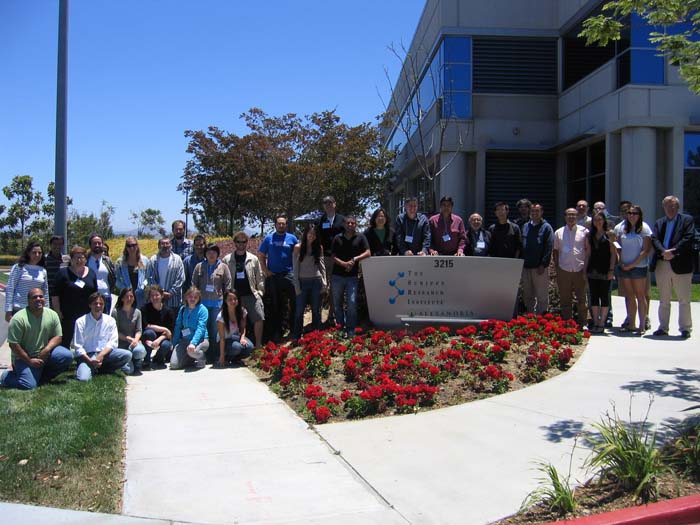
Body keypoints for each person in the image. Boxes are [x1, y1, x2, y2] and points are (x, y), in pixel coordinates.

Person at [0, 288, 73, 390]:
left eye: (41, 296)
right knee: (28, 386)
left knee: (67, 356)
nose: (38, 299)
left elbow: (58, 337)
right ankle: (6, 378)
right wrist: (29, 360)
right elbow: (14, 344)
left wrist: (46, 350)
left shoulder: (52, 314)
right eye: (34, 297)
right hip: (23, 359)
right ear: (28, 301)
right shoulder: (18, 319)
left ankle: (43, 378)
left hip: (44, 354)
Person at [651, 195, 695, 338]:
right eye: (667, 206)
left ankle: (685, 328)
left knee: (684, 299)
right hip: (662, 263)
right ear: (663, 207)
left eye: (673, 206)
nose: (670, 208)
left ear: (678, 207)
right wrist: (663, 252)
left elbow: (688, 237)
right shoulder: (659, 222)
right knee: (664, 299)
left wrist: (673, 252)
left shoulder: (687, 220)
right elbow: (654, 239)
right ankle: (663, 327)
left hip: (681, 264)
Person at [73, 292, 132, 382]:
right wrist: (90, 360)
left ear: (104, 305)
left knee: (127, 355)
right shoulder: (80, 321)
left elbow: (113, 342)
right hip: (88, 356)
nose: (98, 306)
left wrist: (101, 355)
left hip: (105, 354)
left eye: (101, 304)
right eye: (95, 303)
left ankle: (103, 369)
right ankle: (90, 367)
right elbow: (78, 347)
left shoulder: (110, 320)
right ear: (90, 305)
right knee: (84, 379)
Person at [258, 215, 298, 342]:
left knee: (294, 302)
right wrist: (265, 270)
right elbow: (261, 254)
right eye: (279, 223)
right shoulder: (268, 238)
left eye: (283, 223)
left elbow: (298, 254)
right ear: (275, 225)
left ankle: (294, 330)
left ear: (286, 225)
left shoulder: (292, 238)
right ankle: (278, 331)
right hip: (273, 276)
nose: (281, 225)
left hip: (289, 275)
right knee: (276, 305)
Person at [223, 231, 265, 348]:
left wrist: (260, 292)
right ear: (234, 242)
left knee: (258, 317)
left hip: (251, 294)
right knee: (235, 321)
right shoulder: (227, 259)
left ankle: (258, 345)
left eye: (244, 241)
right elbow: (223, 278)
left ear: (247, 242)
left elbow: (260, 276)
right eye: (238, 241)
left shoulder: (253, 258)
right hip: (234, 297)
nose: (241, 244)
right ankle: (236, 347)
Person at [331, 215, 371, 337]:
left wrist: (354, 259)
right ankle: (340, 327)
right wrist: (344, 264)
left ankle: (350, 329)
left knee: (352, 303)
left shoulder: (360, 237)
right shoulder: (337, 238)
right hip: (337, 276)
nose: (350, 225)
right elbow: (333, 256)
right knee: (337, 303)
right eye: (348, 223)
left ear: (356, 225)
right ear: (344, 224)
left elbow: (368, 252)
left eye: (352, 223)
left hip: (352, 277)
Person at [616, 204, 652, 335]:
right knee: (629, 296)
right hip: (624, 266)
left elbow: (646, 250)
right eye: (629, 213)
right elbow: (618, 247)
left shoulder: (644, 228)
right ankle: (631, 324)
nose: (631, 215)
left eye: (634, 213)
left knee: (640, 296)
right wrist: (620, 261)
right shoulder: (622, 228)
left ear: (639, 215)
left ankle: (642, 325)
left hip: (639, 267)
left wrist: (632, 265)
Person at [191, 243, 231, 363]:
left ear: (217, 254)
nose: (211, 254)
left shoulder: (223, 267)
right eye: (209, 252)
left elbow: (228, 285)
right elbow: (194, 284)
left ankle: (215, 355)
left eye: (214, 252)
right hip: (202, 304)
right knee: (203, 330)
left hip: (217, 304)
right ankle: (203, 355)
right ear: (205, 254)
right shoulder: (199, 267)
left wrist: (225, 303)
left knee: (214, 331)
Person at [52, 246, 98, 348]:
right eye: (76, 257)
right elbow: (55, 295)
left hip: (86, 315)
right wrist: (58, 312)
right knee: (66, 342)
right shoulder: (62, 274)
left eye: (81, 257)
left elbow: (95, 295)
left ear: (86, 259)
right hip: (67, 316)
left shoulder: (91, 273)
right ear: (71, 259)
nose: (79, 260)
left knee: (85, 342)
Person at [553, 208, 588, 327]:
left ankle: (583, 323)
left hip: (580, 269)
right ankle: (567, 323)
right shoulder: (558, 232)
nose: (571, 217)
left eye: (573, 215)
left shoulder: (585, 231)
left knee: (581, 298)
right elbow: (555, 251)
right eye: (569, 215)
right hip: (564, 269)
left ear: (577, 217)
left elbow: (588, 250)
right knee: (565, 299)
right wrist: (557, 267)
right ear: (565, 217)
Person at [292, 223, 326, 340]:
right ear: (305, 233)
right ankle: (297, 336)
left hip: (316, 281)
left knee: (316, 310)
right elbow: (295, 268)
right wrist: (296, 285)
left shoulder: (319, 248)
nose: (312, 236)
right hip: (302, 282)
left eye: (314, 234)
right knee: (299, 311)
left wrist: (324, 282)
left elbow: (322, 266)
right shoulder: (298, 247)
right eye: (310, 233)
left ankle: (316, 335)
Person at [585, 212, 617, 333]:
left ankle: (602, 323)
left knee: (604, 297)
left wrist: (611, 270)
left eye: (600, 219)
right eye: (595, 220)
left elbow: (613, 253)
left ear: (604, 220)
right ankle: (596, 321)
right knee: (593, 297)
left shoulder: (610, 235)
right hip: (592, 269)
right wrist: (584, 270)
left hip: (605, 270)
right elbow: (588, 254)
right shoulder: (590, 235)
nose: (598, 222)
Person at [520, 203, 554, 315]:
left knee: (541, 295)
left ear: (541, 212)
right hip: (526, 266)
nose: (534, 213)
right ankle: (529, 317)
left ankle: (541, 318)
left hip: (540, 268)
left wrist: (543, 264)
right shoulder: (525, 226)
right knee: (527, 295)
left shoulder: (547, 227)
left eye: (537, 211)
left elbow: (549, 247)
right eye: (533, 211)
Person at [4, 241, 49, 322]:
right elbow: (10, 288)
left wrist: (47, 310)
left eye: (39, 253)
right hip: (19, 309)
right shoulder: (19, 267)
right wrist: (8, 310)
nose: (37, 255)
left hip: (36, 309)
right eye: (34, 252)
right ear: (28, 253)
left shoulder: (43, 270)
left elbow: (45, 293)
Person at [317, 196, 345, 325]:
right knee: (321, 288)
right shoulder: (319, 221)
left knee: (335, 288)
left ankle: (331, 316)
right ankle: (317, 317)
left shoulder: (342, 220)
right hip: (323, 258)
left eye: (330, 202)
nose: (328, 205)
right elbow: (316, 239)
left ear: (335, 204)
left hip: (338, 259)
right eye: (325, 203)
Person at [171, 286, 209, 369]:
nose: (192, 299)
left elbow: (200, 328)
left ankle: (201, 358)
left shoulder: (203, 310)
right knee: (174, 365)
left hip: (200, 340)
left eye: (195, 297)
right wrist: (174, 343)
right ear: (186, 297)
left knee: (192, 351)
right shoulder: (182, 309)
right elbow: (178, 327)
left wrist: (193, 343)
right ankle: (190, 358)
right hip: (185, 339)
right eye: (190, 297)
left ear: (199, 299)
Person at [111, 288, 147, 375]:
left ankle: (136, 362)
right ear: (122, 298)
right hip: (121, 344)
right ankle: (126, 362)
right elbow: (115, 331)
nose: (129, 299)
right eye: (127, 297)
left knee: (140, 351)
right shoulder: (115, 312)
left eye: (131, 296)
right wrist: (128, 338)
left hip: (134, 343)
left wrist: (135, 340)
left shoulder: (137, 312)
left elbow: (139, 330)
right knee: (128, 370)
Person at [216, 290, 254, 366]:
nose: (233, 301)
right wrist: (222, 356)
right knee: (237, 347)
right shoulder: (221, 316)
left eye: (235, 299)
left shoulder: (242, 311)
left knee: (250, 347)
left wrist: (242, 338)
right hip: (224, 340)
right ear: (225, 301)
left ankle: (236, 359)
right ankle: (226, 358)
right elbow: (222, 338)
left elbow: (243, 328)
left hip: (236, 337)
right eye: (230, 299)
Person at [146, 237, 185, 310]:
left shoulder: (177, 259)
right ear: (158, 246)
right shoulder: (153, 260)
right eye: (162, 244)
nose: (165, 246)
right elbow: (150, 278)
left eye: (167, 243)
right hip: (156, 300)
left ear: (171, 245)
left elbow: (181, 278)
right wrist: (160, 293)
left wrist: (171, 293)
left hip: (173, 301)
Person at [141, 285, 175, 368]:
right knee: (149, 333)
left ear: (162, 296)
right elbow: (146, 326)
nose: (154, 297)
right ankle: (146, 359)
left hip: (163, 337)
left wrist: (158, 340)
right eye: (152, 295)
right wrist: (164, 329)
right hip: (150, 336)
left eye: (157, 295)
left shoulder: (168, 311)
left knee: (166, 345)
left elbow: (170, 333)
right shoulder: (145, 308)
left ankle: (158, 359)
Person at [115, 236, 150, 308]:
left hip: (141, 295)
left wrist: (143, 285)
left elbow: (149, 276)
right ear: (126, 247)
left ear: (137, 246)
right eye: (129, 246)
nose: (131, 248)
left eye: (134, 245)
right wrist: (124, 288)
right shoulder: (120, 262)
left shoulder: (144, 260)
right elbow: (116, 279)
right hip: (126, 296)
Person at [86, 234, 117, 314]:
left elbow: (113, 277)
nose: (97, 245)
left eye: (99, 243)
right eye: (94, 243)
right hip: (90, 298)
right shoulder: (85, 261)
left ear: (102, 245)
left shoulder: (108, 261)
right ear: (90, 245)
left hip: (106, 297)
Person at [45, 235, 69, 304]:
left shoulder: (67, 259)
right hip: (48, 296)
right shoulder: (44, 259)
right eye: (55, 244)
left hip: (64, 296)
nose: (57, 246)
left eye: (60, 244)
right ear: (50, 245)